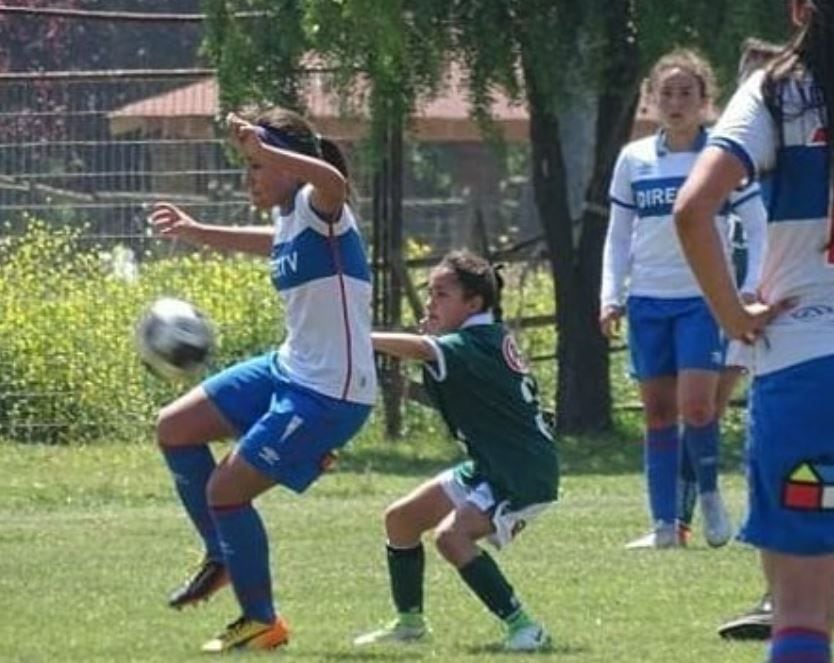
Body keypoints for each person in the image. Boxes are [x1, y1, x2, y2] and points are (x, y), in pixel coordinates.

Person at [147, 107, 377, 653]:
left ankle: (262, 621)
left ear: (290, 166)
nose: (248, 176)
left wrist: (269, 149)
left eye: (256, 165)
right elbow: (270, 243)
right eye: (249, 165)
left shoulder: (321, 207)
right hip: (289, 368)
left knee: (224, 490)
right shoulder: (291, 220)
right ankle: (223, 554)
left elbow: (333, 181)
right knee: (174, 427)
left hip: (329, 394)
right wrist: (197, 231)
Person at [675, 0, 834, 659]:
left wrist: (734, 318)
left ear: (800, 7)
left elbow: (693, 210)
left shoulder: (774, 92)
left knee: (798, 609)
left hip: (805, 363)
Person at [600, 48, 767, 549]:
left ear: (705, 101)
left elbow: (756, 226)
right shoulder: (634, 160)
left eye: (686, 93)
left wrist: (748, 287)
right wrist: (611, 294)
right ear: (651, 100)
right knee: (656, 414)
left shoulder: (721, 156)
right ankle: (665, 526)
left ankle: (712, 498)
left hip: (702, 299)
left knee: (697, 407)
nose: (675, 103)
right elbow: (617, 232)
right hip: (649, 301)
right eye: (666, 93)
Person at [353, 250, 557, 652]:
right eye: (430, 293)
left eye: (442, 294)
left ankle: (525, 626)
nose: (430, 303)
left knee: (451, 538)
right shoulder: (479, 337)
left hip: (521, 473)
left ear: (474, 303)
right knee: (402, 520)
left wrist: (358, 337)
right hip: (492, 464)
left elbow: (426, 350)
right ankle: (410, 624)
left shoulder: (474, 341)